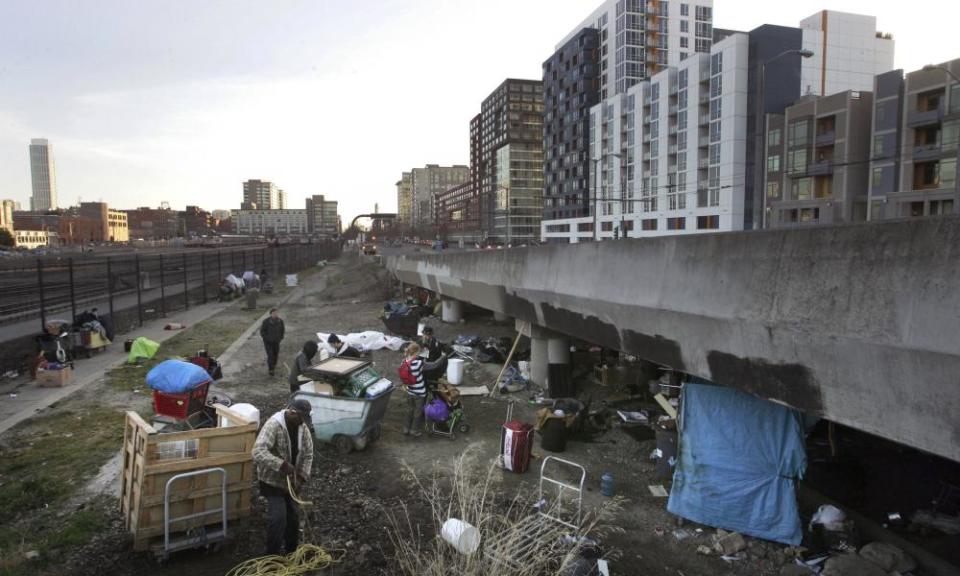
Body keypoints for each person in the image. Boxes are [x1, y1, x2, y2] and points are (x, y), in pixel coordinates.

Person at [252, 399, 314, 556]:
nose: (303, 422)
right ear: (292, 412)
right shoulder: (274, 425)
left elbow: (308, 454)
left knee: (293, 517)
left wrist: (301, 477)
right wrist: (281, 465)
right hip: (271, 481)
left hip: (291, 482)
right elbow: (258, 451)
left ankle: (291, 552)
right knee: (278, 518)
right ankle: (270, 557)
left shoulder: (303, 427)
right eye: (301, 418)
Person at [399, 343, 446, 437]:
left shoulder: (404, 361)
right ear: (417, 352)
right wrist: (443, 357)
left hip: (409, 390)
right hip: (419, 392)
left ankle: (406, 429)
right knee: (418, 412)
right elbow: (434, 365)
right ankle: (414, 431)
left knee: (409, 410)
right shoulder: (419, 363)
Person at [260, 308, 285, 376]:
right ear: (271, 314)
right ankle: (271, 369)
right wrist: (267, 338)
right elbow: (262, 331)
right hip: (268, 343)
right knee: (270, 355)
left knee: (275, 355)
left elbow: (282, 330)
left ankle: (273, 365)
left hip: (276, 342)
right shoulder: (266, 322)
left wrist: (281, 338)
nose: (275, 314)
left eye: (276, 313)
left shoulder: (280, 321)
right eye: (274, 313)